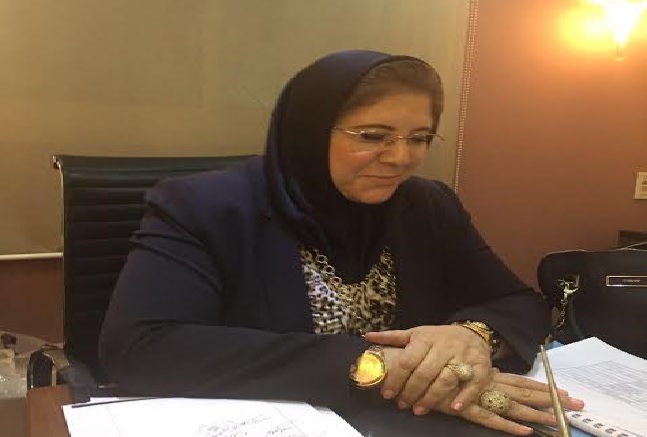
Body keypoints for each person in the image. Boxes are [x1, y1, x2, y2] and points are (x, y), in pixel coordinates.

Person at [99, 50, 583, 435]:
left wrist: (472, 335)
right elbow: (142, 347)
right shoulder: (203, 206)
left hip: (406, 421)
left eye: (419, 137)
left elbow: (518, 302)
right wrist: (374, 366)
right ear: (308, 131)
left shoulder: (429, 205)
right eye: (373, 135)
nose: (401, 158)